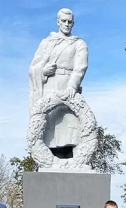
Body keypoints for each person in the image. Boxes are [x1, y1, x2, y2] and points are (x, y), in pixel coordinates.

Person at [29, 8, 88, 155]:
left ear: (73, 23)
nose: (67, 24)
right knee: (51, 132)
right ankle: (49, 159)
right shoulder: (47, 43)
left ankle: (72, 160)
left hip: (68, 88)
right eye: (64, 21)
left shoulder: (78, 43)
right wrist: (43, 71)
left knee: (70, 129)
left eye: (70, 22)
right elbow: (33, 68)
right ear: (58, 22)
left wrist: (72, 86)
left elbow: (80, 67)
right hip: (49, 88)